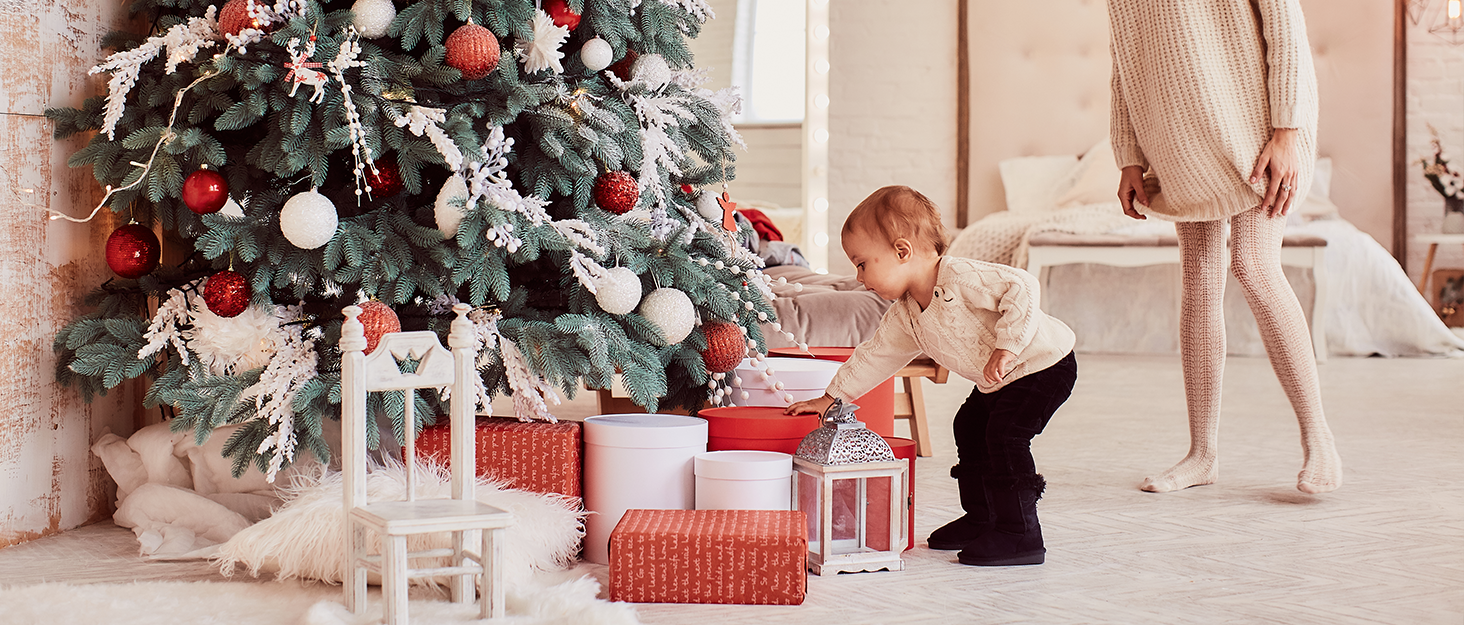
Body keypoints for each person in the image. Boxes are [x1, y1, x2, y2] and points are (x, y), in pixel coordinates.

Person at [1108, 0, 1342, 493]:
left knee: (1254, 265)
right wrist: (1128, 156)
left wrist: (1287, 134)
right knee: (1198, 281)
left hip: (1261, 127)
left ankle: (1319, 439)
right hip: (1182, 142)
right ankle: (1202, 455)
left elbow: (1286, 29)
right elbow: (1125, 59)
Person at [785, 186, 1077, 567]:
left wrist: (1008, 346)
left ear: (902, 251)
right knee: (969, 426)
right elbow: (876, 355)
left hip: (1044, 363)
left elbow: (1021, 286)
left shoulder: (960, 277)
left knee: (1005, 436)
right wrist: (832, 397)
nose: (857, 277)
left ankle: (1020, 533)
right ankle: (982, 517)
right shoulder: (906, 314)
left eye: (862, 264)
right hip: (1002, 379)